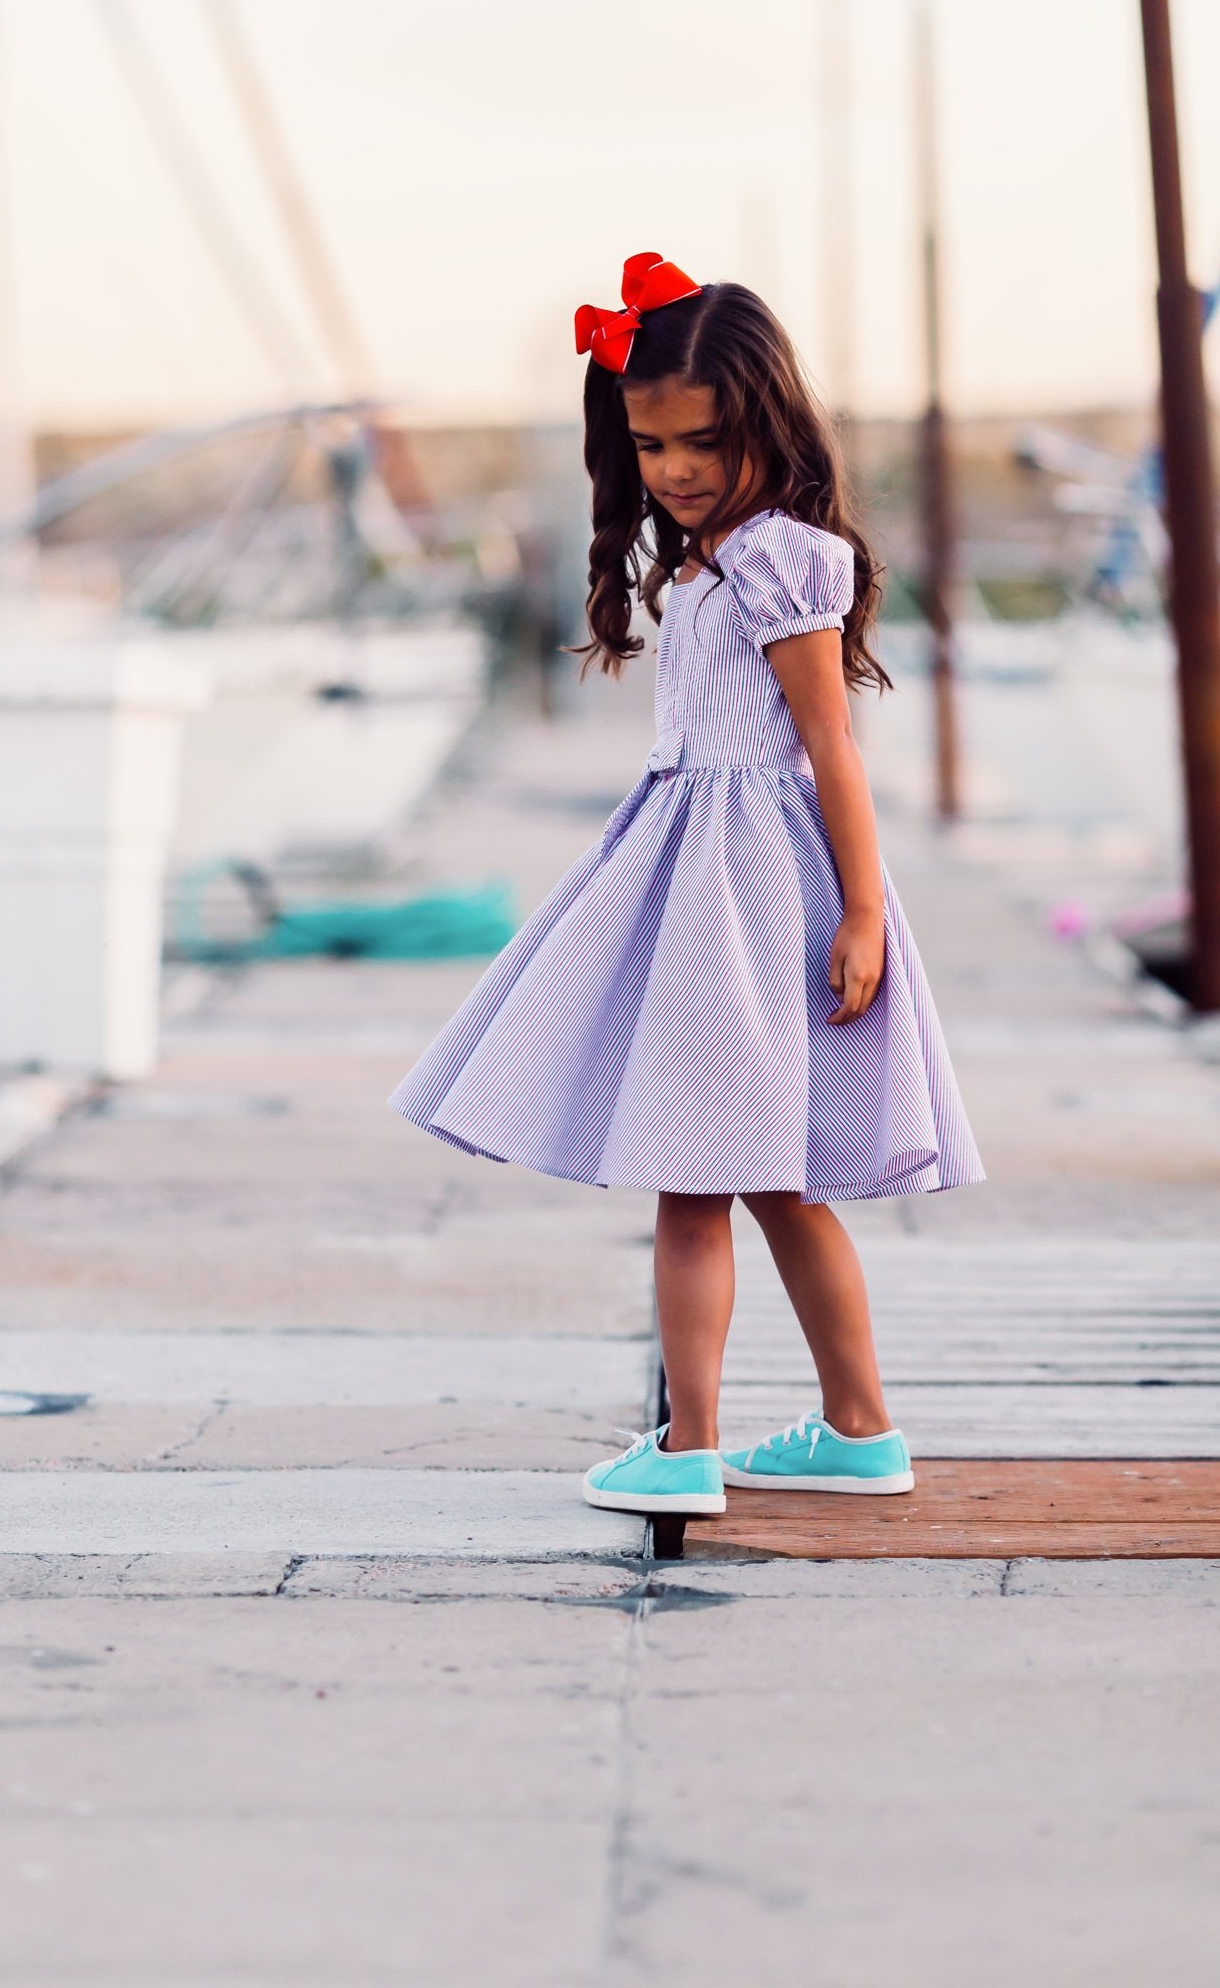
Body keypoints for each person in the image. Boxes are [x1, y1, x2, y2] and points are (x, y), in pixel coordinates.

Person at [388, 252, 985, 1518]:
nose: (677, 471)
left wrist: (867, 910)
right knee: (770, 1179)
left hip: (744, 890)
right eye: (652, 446)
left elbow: (831, 744)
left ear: (769, 420)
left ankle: (690, 1445)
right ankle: (860, 1426)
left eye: (703, 442)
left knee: (697, 1171)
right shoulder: (715, 558)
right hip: (709, 870)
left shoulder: (781, 560)